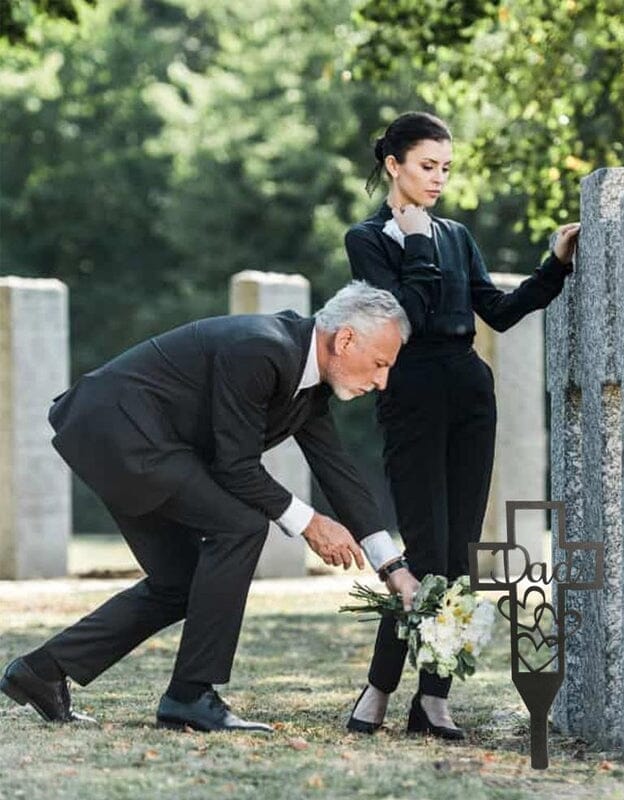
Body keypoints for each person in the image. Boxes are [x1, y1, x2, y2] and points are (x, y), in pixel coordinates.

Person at [0, 281, 418, 732]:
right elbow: (235, 466)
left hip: (139, 440)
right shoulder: (263, 348)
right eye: (380, 364)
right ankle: (190, 695)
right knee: (241, 526)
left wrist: (391, 566)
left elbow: (337, 471)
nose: (382, 381)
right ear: (346, 339)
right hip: (120, 432)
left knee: (181, 581)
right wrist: (310, 522)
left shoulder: (309, 383)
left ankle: (41, 671)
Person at [344, 111, 580, 739]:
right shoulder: (366, 239)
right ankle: (380, 686)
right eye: (427, 166)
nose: (439, 179)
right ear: (393, 165)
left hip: (470, 392)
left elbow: (497, 314)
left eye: (446, 168)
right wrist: (414, 241)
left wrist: (554, 266)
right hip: (411, 392)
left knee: (459, 559)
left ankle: (433, 699)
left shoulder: (457, 235)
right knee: (422, 555)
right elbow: (403, 318)